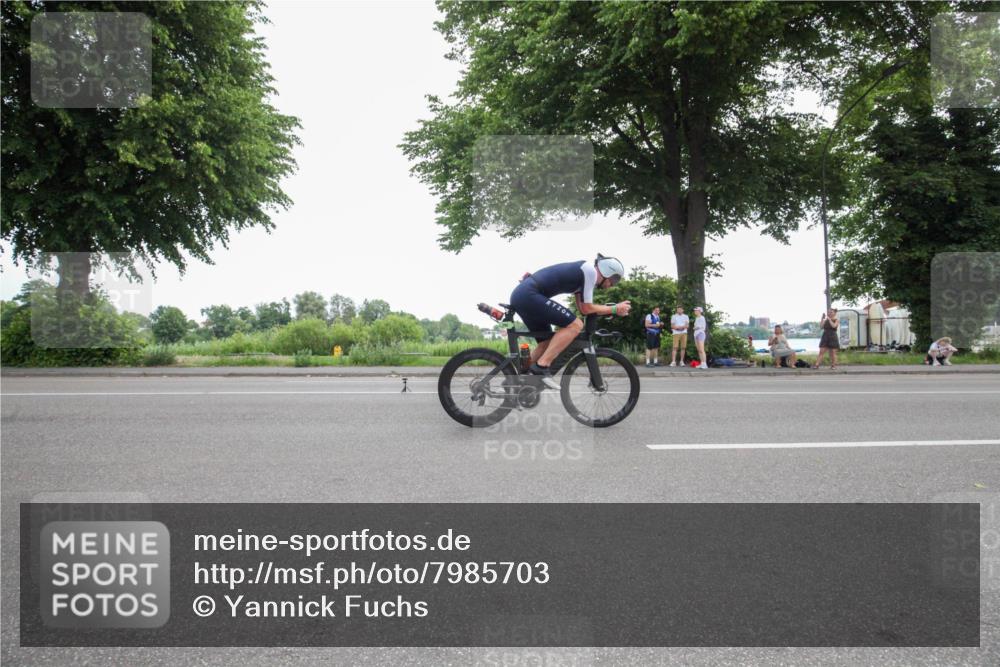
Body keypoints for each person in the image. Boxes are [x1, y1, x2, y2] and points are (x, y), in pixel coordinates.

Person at [509, 254, 630, 388]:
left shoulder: (584, 275)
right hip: (529, 295)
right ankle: (542, 366)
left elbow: (584, 309)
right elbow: (587, 307)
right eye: (614, 280)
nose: (611, 285)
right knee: (576, 325)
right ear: (608, 272)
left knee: (545, 343)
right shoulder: (589, 271)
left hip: (524, 295)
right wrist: (614, 309)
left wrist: (610, 310)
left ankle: (518, 379)